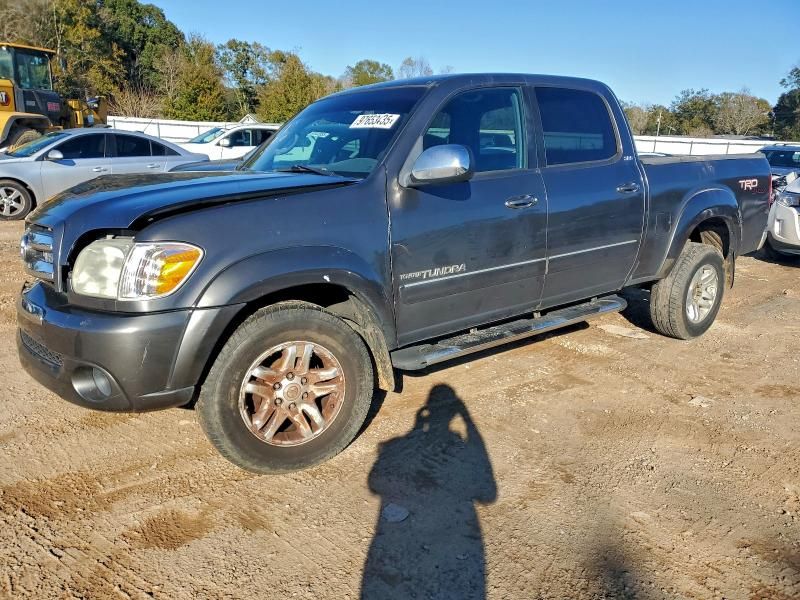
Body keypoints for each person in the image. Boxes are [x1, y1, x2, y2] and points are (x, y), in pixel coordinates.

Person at [361, 384, 497, 599]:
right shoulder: (453, 445)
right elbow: (488, 493)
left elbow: (374, 483)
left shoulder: (400, 448)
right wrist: (467, 418)